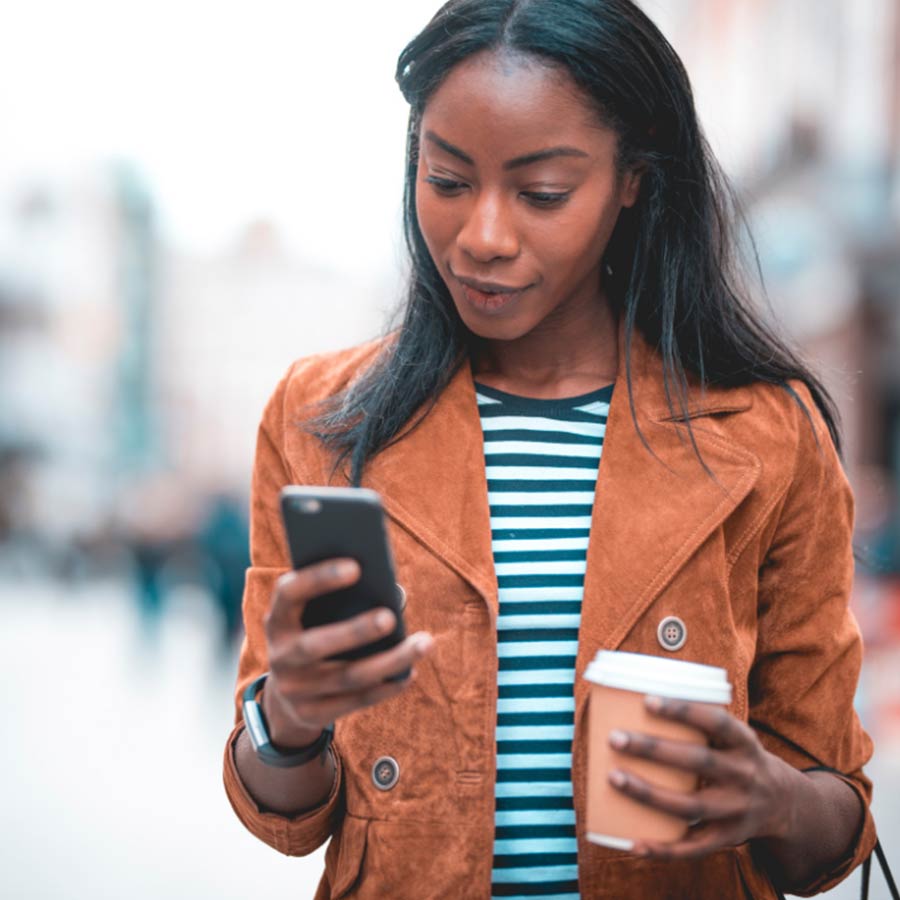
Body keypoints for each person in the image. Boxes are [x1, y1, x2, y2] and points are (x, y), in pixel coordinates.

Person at [222, 1, 877, 897]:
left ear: (635, 178)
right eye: (447, 180)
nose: (483, 237)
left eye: (542, 194)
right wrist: (287, 717)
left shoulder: (767, 432)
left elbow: (832, 824)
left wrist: (771, 798)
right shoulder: (320, 420)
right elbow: (284, 817)